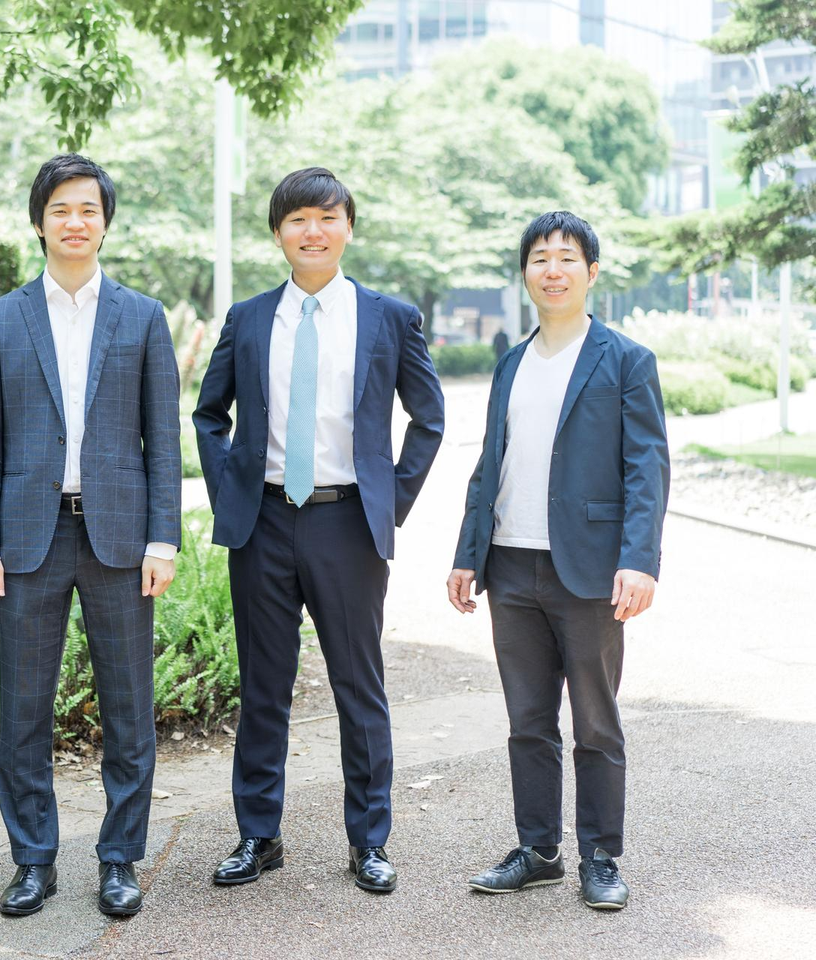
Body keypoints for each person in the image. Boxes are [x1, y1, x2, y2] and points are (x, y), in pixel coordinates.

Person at [192, 167, 444, 894]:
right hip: (264, 522)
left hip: (348, 522)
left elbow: (428, 418)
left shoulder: (389, 318)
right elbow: (209, 414)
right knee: (263, 686)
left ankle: (370, 841)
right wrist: (232, 493)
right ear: (279, 233)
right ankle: (258, 835)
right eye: (298, 219)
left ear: (348, 228)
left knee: (358, 686)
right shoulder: (247, 319)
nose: (313, 231)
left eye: (327, 217)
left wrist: (388, 502)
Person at [0, 153, 182, 918]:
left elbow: (162, 439)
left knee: (129, 709)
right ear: (39, 222)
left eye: (88, 208)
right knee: (24, 709)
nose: (75, 221)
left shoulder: (142, 316)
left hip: (121, 538)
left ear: (105, 222)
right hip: (30, 538)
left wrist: (163, 541)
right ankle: (33, 860)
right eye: (60, 208)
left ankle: (120, 858)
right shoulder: (1, 319)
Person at [448, 211, 668, 911]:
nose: (553, 269)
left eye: (567, 258)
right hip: (511, 565)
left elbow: (647, 468)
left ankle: (601, 856)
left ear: (591, 272)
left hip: (590, 568)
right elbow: (491, 463)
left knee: (595, 721)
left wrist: (639, 560)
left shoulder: (625, 360)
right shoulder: (511, 362)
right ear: (525, 273)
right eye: (540, 258)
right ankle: (539, 851)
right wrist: (467, 553)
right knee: (527, 720)